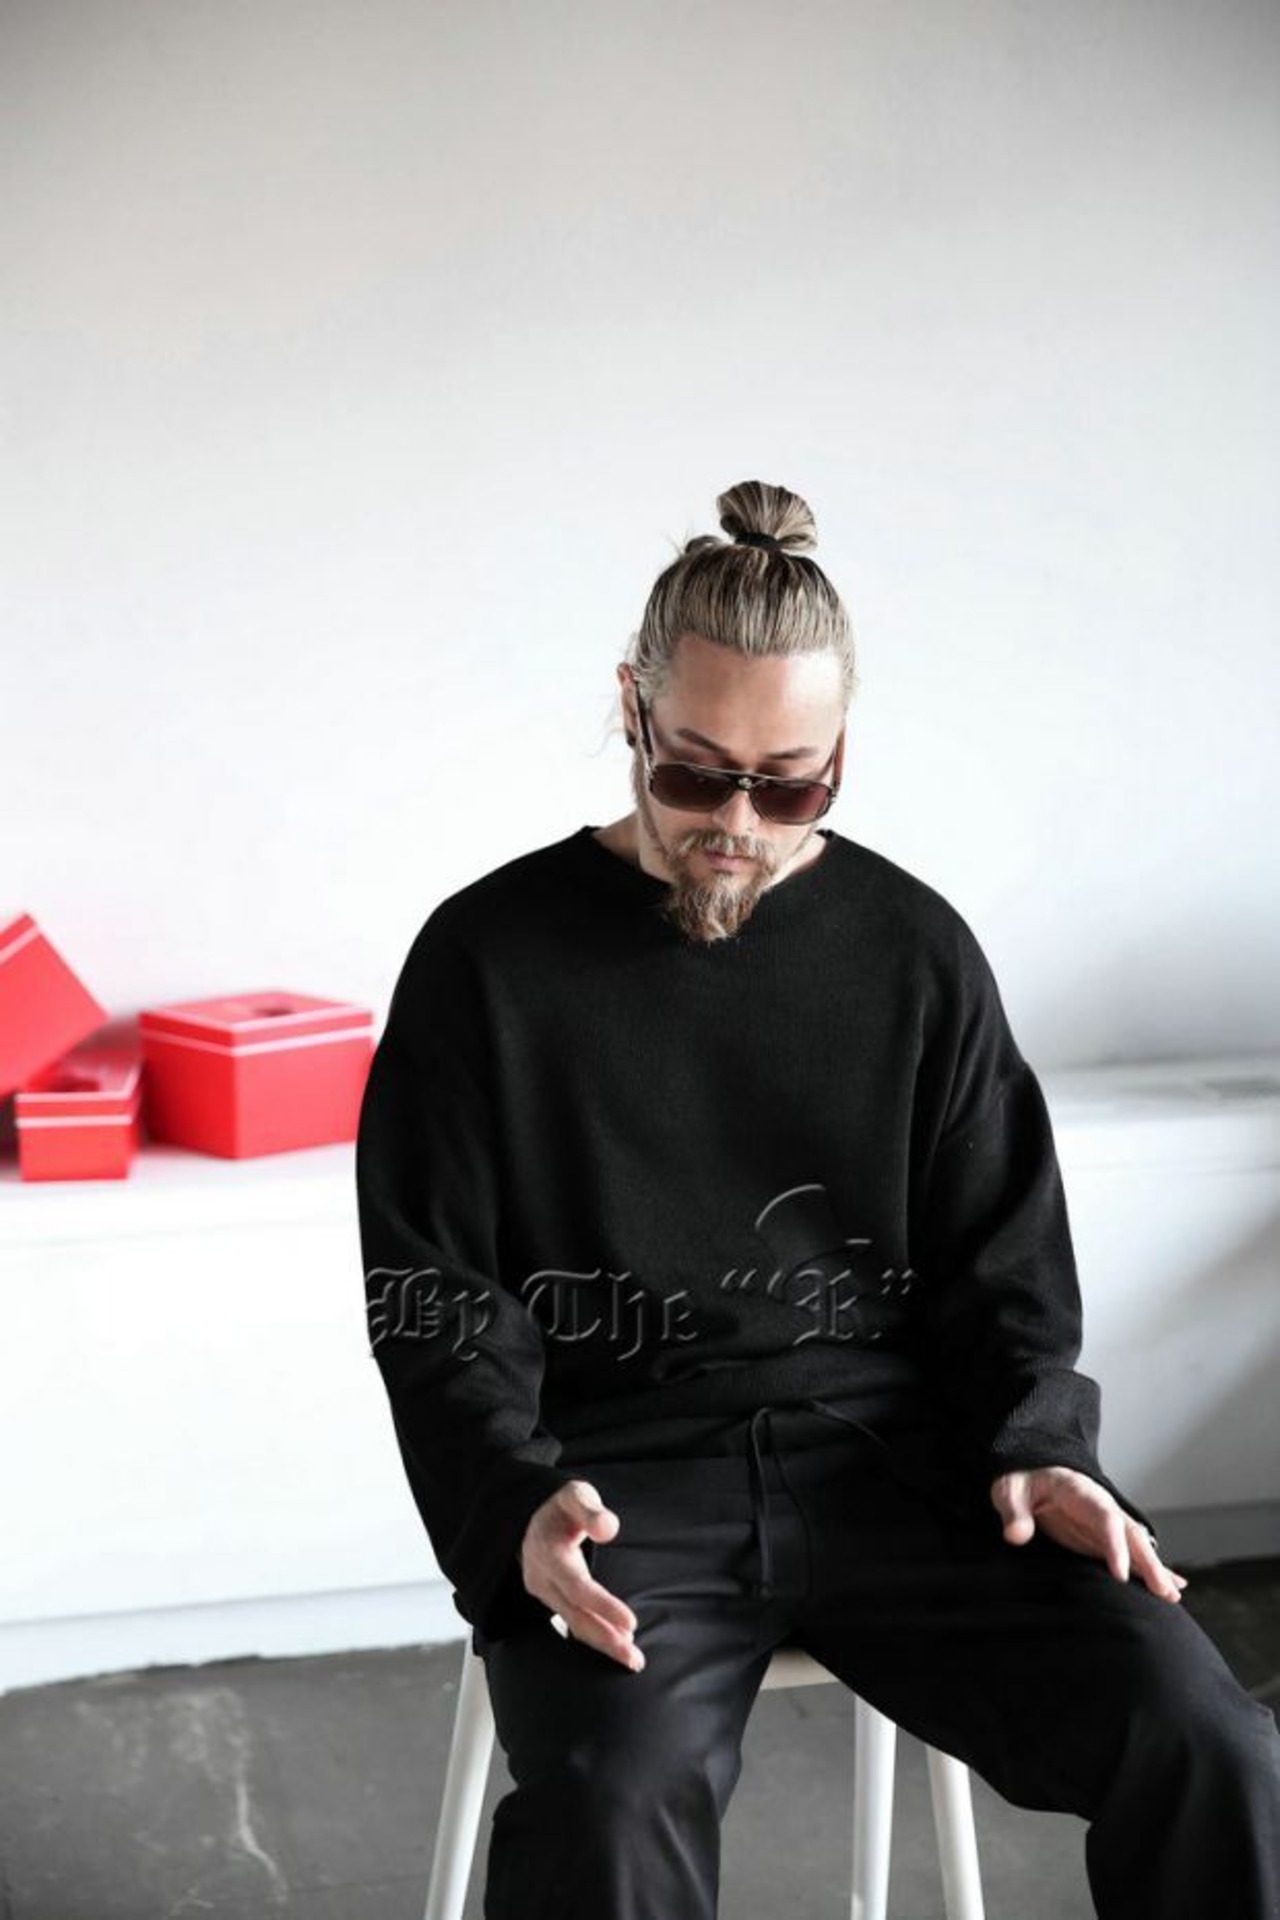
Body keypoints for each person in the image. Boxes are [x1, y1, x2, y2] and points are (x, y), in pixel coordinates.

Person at [355, 480, 1280, 1919]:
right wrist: (512, 1501)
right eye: (696, 774)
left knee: (1211, 1744)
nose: (737, 823)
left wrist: (1045, 1447)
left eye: (788, 785)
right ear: (631, 710)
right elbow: (438, 1299)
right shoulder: (486, 961)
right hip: (620, 1484)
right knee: (611, 1812)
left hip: (903, 1471)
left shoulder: (914, 951)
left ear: (840, 752)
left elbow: (1006, 1272)